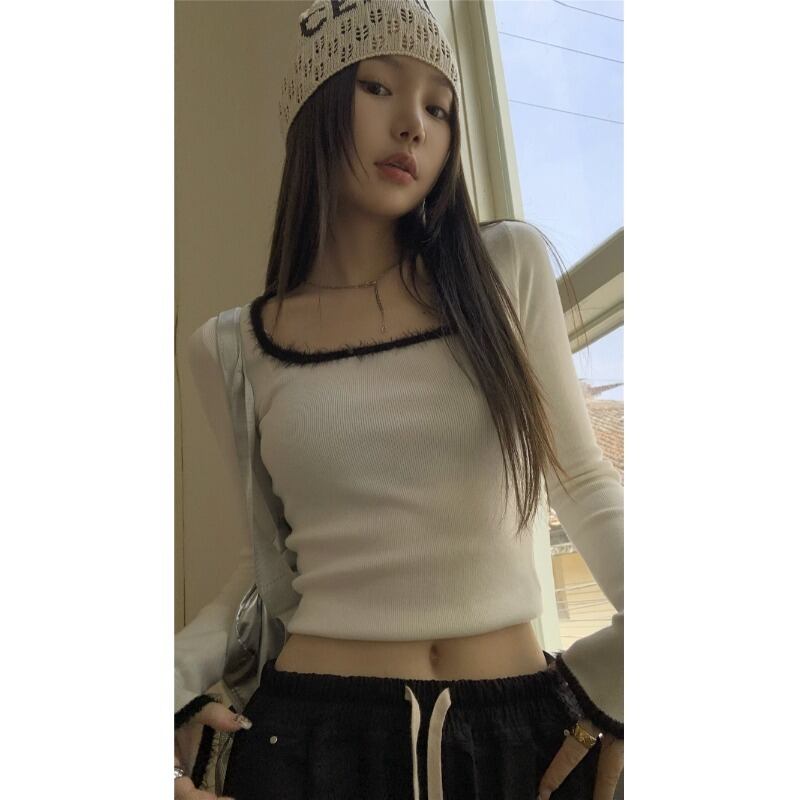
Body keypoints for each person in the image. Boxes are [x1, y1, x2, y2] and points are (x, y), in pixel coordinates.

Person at [174, 1, 624, 798]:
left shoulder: (505, 270)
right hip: (310, 739)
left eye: (439, 107)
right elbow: (263, 565)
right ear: (315, 110)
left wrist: (629, 678)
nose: (414, 124)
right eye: (378, 87)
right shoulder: (230, 347)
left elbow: (582, 480)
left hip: (522, 736)